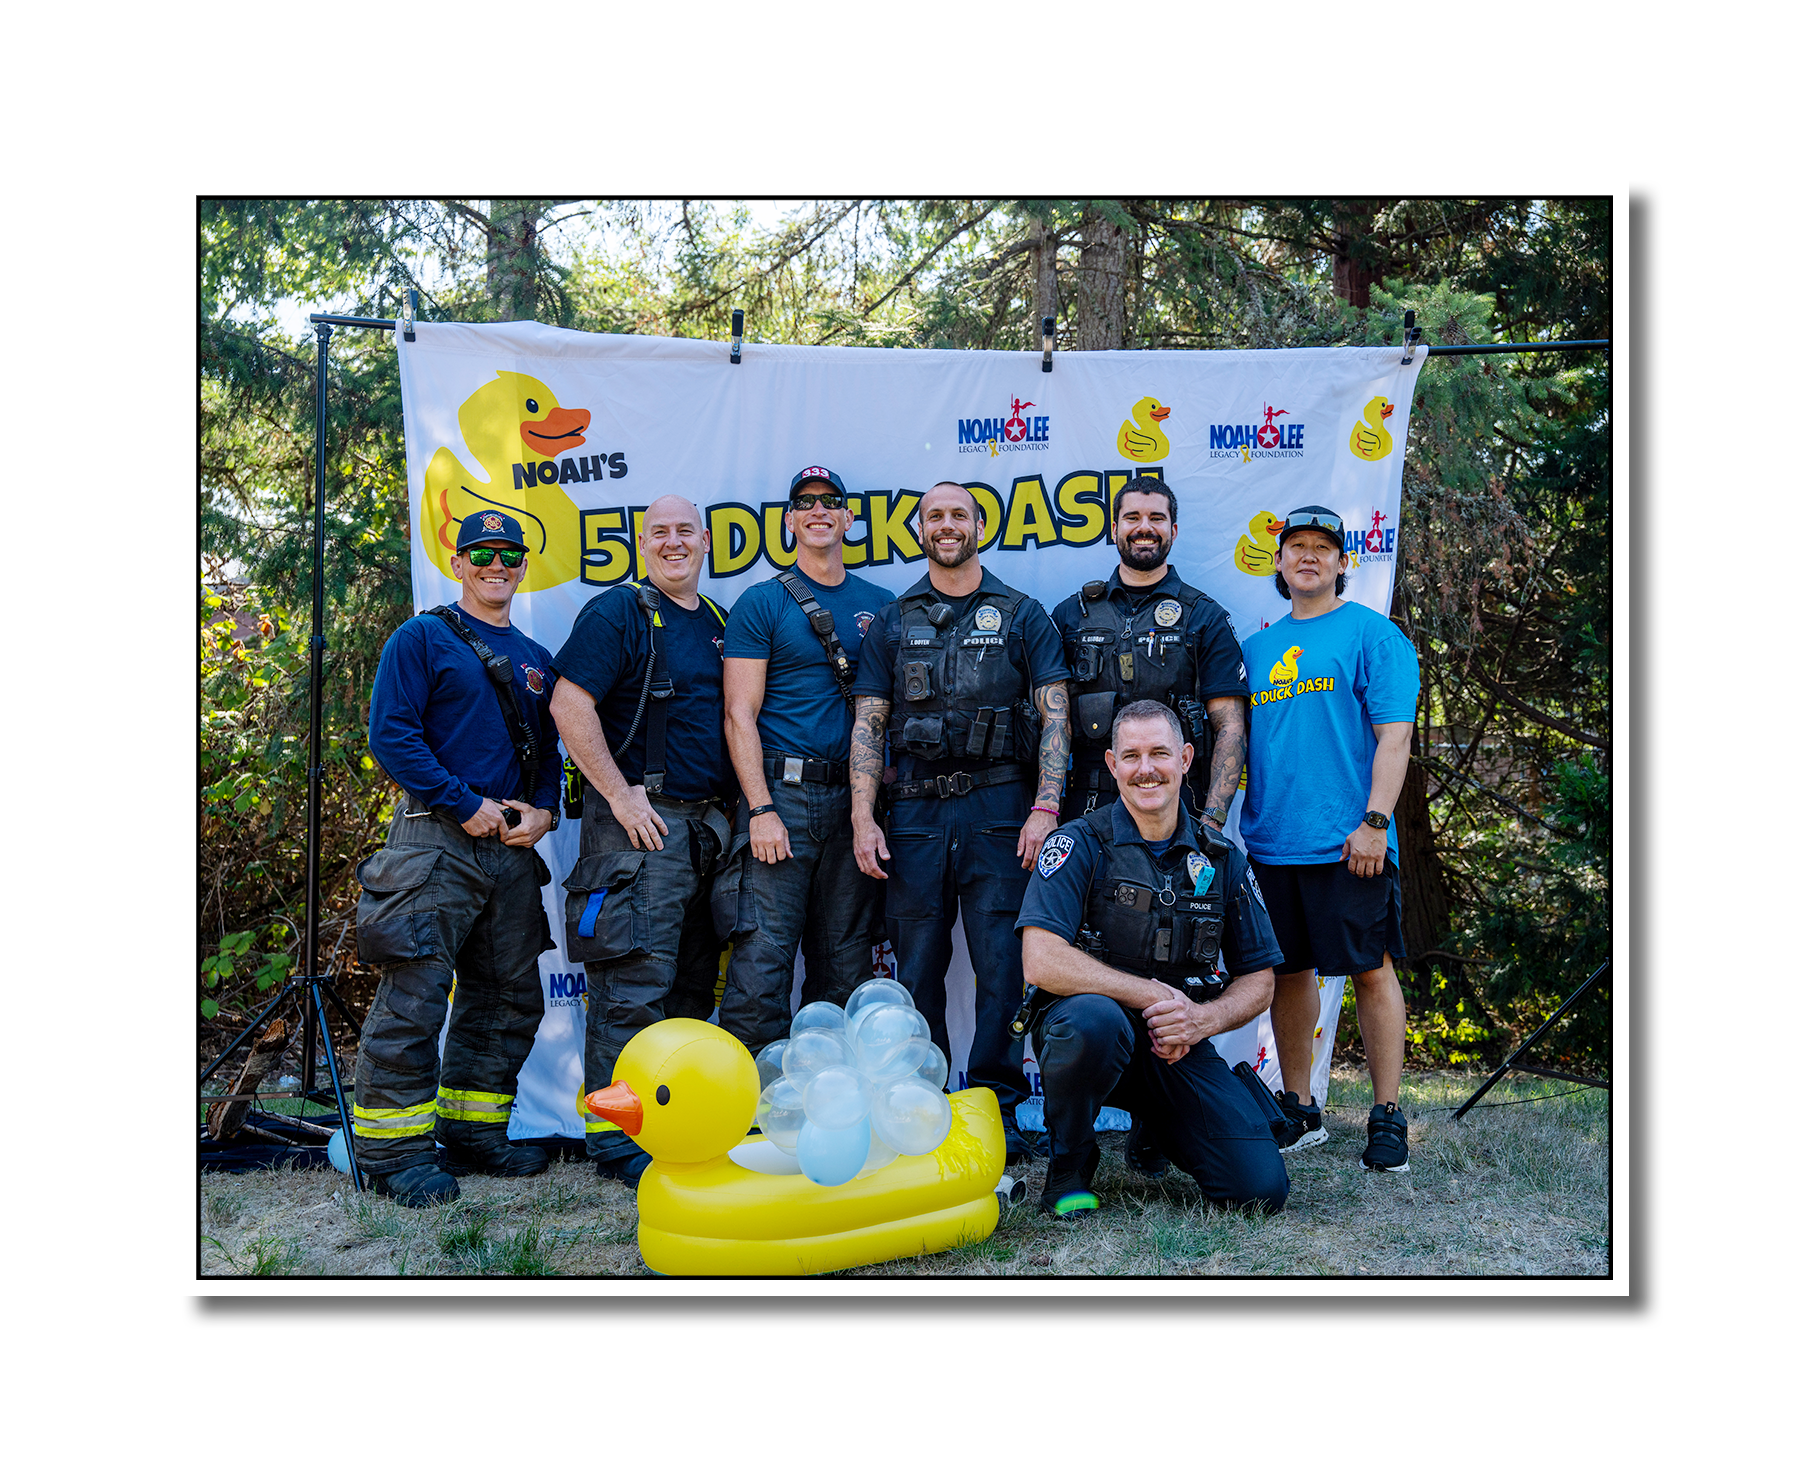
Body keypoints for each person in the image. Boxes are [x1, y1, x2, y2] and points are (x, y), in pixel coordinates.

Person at [851, 481, 1070, 1164]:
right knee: (917, 969)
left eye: (958, 515)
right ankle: (923, 1107)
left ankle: (998, 1107)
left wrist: (1045, 807)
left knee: (1003, 968)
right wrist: (862, 817)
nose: (946, 525)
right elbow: (870, 723)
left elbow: (1056, 718)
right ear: (919, 530)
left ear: (980, 525)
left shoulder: (1023, 615)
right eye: (934, 516)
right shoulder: (893, 622)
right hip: (914, 814)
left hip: (1000, 811)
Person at [352, 510, 562, 1208]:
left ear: (523, 565)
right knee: (413, 999)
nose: (495, 565)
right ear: (458, 563)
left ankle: (473, 1132)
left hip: (509, 850)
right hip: (435, 841)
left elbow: (547, 754)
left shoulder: (535, 656)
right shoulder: (421, 637)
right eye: (481, 553)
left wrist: (543, 811)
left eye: (508, 554)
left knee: (507, 998)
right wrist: (460, 802)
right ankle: (391, 1154)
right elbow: (392, 735)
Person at [1017, 701, 1288, 1218]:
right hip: (1093, 1034)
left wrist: (1202, 1020)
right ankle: (1070, 1163)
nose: (1147, 769)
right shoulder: (1078, 843)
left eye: (1160, 753)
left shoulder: (1221, 858)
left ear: (1185, 759)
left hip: (1177, 1045)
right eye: (1132, 756)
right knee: (1092, 1021)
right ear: (1112, 764)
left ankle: (1157, 1128)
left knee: (1259, 1190)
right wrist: (1150, 996)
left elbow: (1260, 979)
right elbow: (1041, 960)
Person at [549, 494, 732, 1187]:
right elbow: (568, 703)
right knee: (631, 987)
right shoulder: (618, 612)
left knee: (690, 986)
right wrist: (620, 793)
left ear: (706, 541)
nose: (673, 542)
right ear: (641, 543)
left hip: (706, 831)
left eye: (685, 531)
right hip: (639, 830)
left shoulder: (717, 622)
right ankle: (615, 1138)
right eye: (659, 532)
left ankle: (669, 1126)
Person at [1240, 505, 1420, 1172]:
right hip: (1272, 842)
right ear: (1279, 562)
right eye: (1297, 547)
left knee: (1370, 969)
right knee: (1289, 973)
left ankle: (1387, 1115)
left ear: (1343, 563)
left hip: (1351, 843)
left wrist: (1374, 823)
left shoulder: (1373, 635)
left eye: (1323, 547)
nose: (1309, 556)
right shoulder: (1255, 650)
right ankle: (1299, 1108)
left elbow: (1395, 738)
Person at [715, 466, 888, 1052]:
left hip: (854, 804)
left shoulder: (881, 605)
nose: (819, 510)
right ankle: (750, 1098)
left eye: (831, 501)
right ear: (789, 520)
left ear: (848, 518)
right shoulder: (761, 602)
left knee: (845, 966)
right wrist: (760, 809)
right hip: (781, 800)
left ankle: (829, 1093)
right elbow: (738, 714)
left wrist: (869, 809)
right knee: (761, 963)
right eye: (806, 502)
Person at [1051, 475, 1249, 845]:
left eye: (1157, 518)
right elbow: (1052, 722)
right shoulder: (1072, 615)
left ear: (1173, 530)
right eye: (1133, 518)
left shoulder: (1203, 617)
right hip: (1090, 805)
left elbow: (1231, 726)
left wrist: (1212, 821)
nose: (1145, 528)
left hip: (1179, 807)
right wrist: (1047, 807)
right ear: (1114, 529)